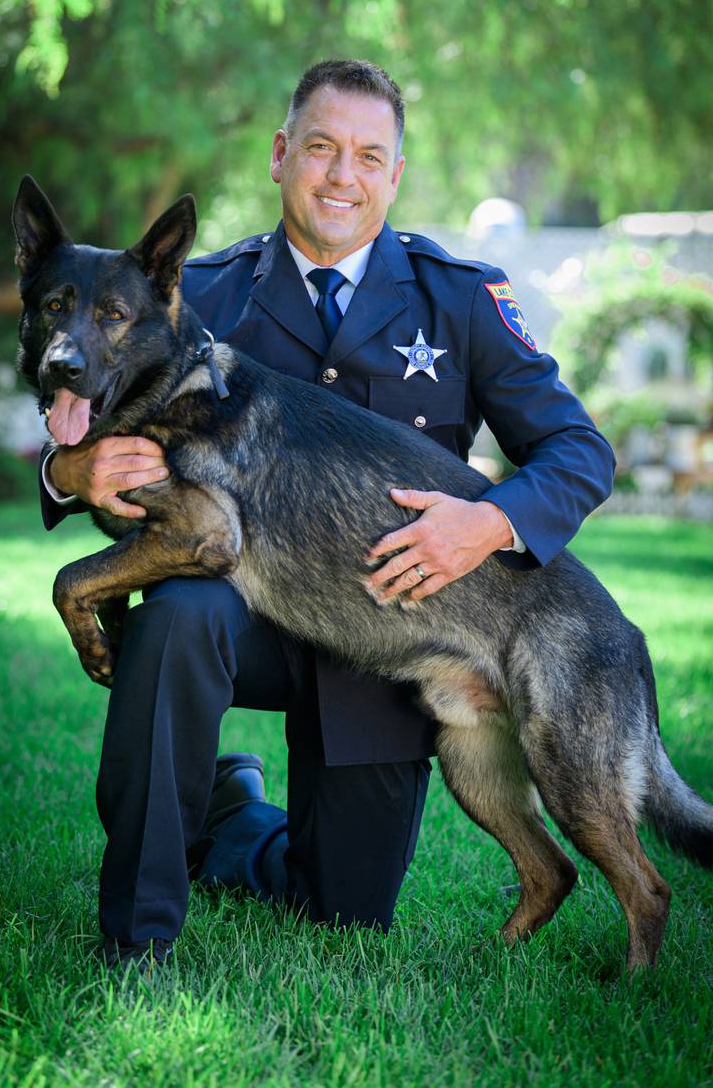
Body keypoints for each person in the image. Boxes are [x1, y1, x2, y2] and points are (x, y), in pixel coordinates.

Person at [39, 59, 615, 970]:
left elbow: (581, 453)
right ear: (279, 155)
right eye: (320, 147)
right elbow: (88, 408)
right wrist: (68, 468)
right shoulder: (201, 292)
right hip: (243, 613)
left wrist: (488, 522)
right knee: (179, 616)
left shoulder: (457, 297)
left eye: (367, 155)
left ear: (394, 173)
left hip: (394, 635)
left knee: (341, 910)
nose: (342, 175)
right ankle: (138, 931)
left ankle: (230, 814)